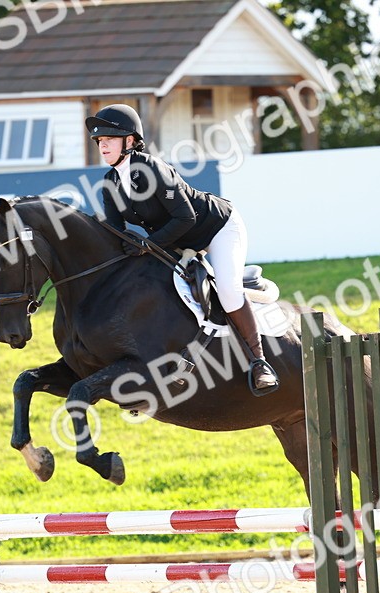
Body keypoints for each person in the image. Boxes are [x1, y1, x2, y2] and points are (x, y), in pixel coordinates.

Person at [85, 103, 279, 395]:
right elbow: (115, 233)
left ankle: (260, 363)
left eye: (109, 139)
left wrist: (148, 244)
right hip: (178, 241)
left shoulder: (152, 168)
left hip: (217, 228)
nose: (102, 145)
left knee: (228, 291)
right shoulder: (110, 183)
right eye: (99, 140)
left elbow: (186, 217)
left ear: (130, 141)